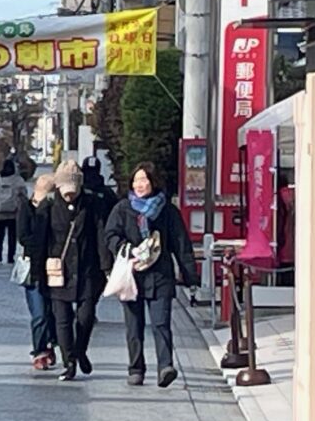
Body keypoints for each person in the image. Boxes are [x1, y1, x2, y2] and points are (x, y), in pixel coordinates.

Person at [105, 162, 197, 388]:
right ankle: (136, 369)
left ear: (153, 182)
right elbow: (110, 235)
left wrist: (190, 275)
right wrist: (124, 247)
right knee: (133, 327)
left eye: (144, 180)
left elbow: (181, 243)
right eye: (136, 180)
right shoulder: (123, 208)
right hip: (132, 275)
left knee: (161, 323)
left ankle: (165, 367)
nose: (139, 185)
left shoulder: (167, 210)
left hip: (160, 275)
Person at [36, 159, 111, 382]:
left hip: (88, 269)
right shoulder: (49, 206)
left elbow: (101, 235)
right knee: (62, 319)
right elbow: (40, 240)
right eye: (66, 190)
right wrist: (37, 270)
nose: (70, 195)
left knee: (85, 317)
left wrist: (106, 266)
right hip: (58, 271)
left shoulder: (92, 203)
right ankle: (69, 362)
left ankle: (80, 350)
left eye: (73, 190)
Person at [17, 173, 58, 370]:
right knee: (39, 313)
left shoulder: (55, 209)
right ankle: (39, 350)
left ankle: (50, 343)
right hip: (33, 268)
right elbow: (23, 237)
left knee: (53, 311)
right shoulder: (26, 208)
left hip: (53, 267)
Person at [0, 157, 28, 263]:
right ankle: (10, 256)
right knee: (12, 236)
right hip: (13, 213)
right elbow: (24, 195)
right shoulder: (18, 180)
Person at [81, 152, 118, 225]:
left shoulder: (107, 193)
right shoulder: (78, 191)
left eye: (94, 171)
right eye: (88, 171)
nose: (91, 175)